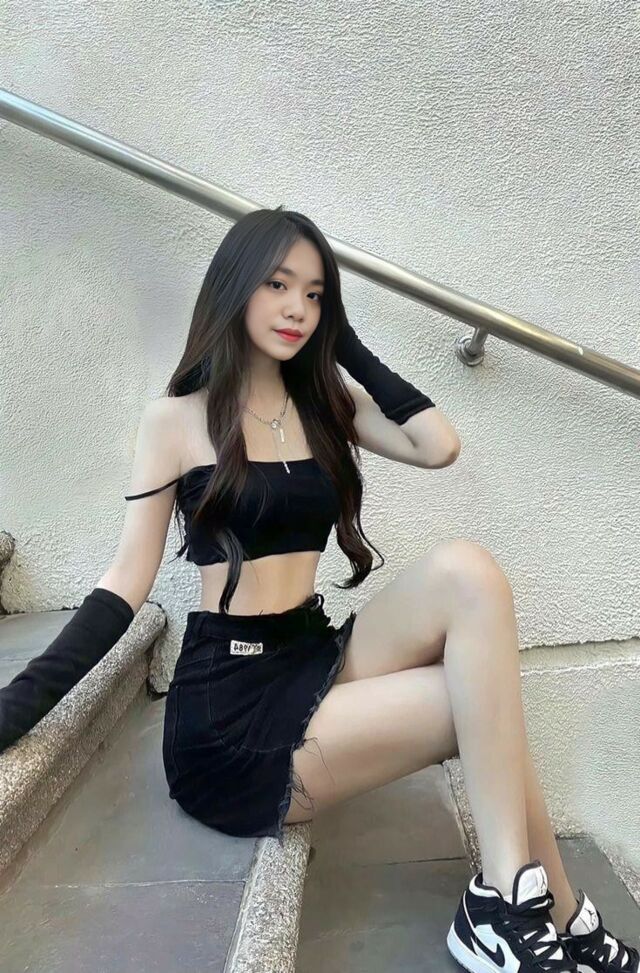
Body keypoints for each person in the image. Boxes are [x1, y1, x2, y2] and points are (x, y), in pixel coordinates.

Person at [1, 206, 636, 973]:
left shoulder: (324, 404)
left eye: (314, 294)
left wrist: (347, 346)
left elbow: (438, 444)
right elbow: (123, 584)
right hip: (228, 713)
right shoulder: (174, 421)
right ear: (236, 287)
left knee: (468, 570)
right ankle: (523, 908)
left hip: (308, 652)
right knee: (476, 697)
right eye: (278, 285)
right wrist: (16, 706)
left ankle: (532, 905)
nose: (296, 307)